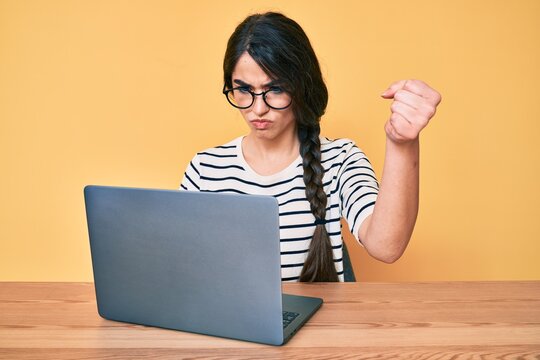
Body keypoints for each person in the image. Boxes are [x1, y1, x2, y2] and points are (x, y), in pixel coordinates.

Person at [180, 12, 442, 282]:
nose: (258, 109)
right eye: (244, 90)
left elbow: (386, 246)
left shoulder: (341, 159)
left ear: (302, 87)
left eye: (276, 89)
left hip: (324, 325)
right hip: (232, 323)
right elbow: (181, 268)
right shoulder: (205, 169)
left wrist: (402, 143)